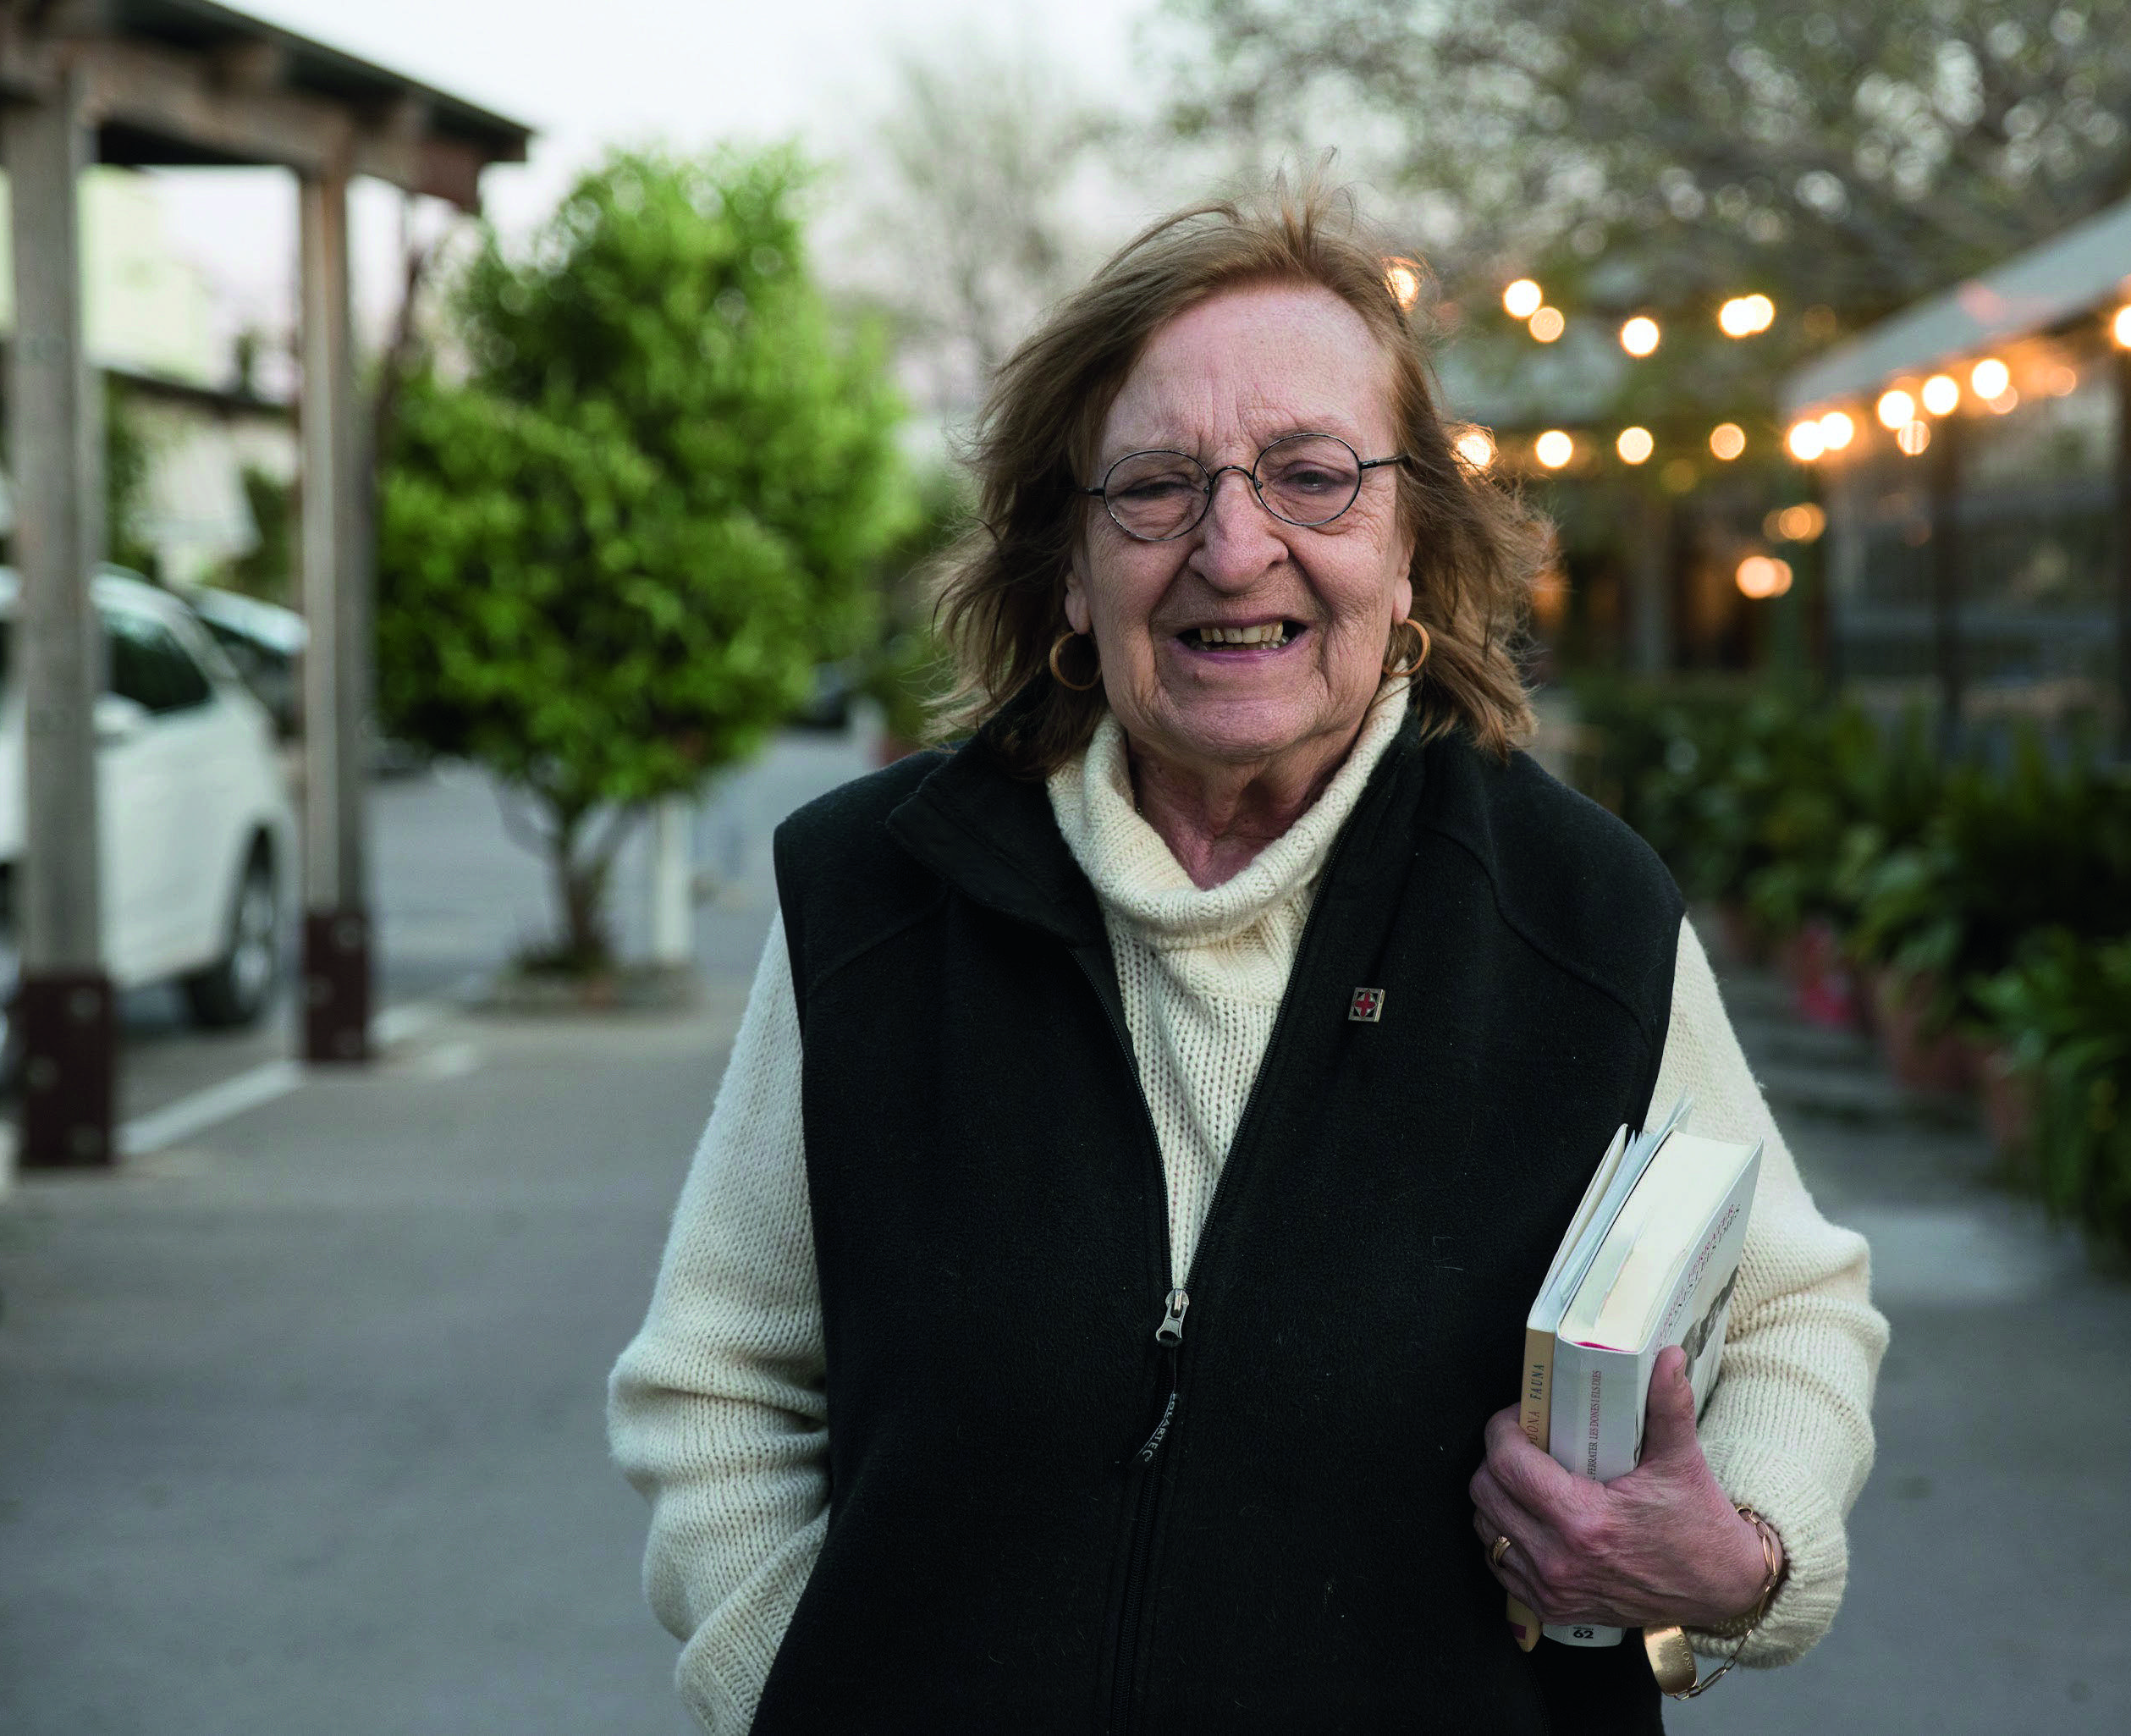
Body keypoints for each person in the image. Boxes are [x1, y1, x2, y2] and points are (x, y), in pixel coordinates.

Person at [608, 176, 1887, 1734]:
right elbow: (721, 1381)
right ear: (1068, 570)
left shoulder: (1574, 913)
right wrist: (799, 1694)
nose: (1233, 548)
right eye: (1153, 487)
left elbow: (1790, 1309)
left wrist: (1737, 1561)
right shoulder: (875, 899)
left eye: (1312, 477)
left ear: (1413, 548)